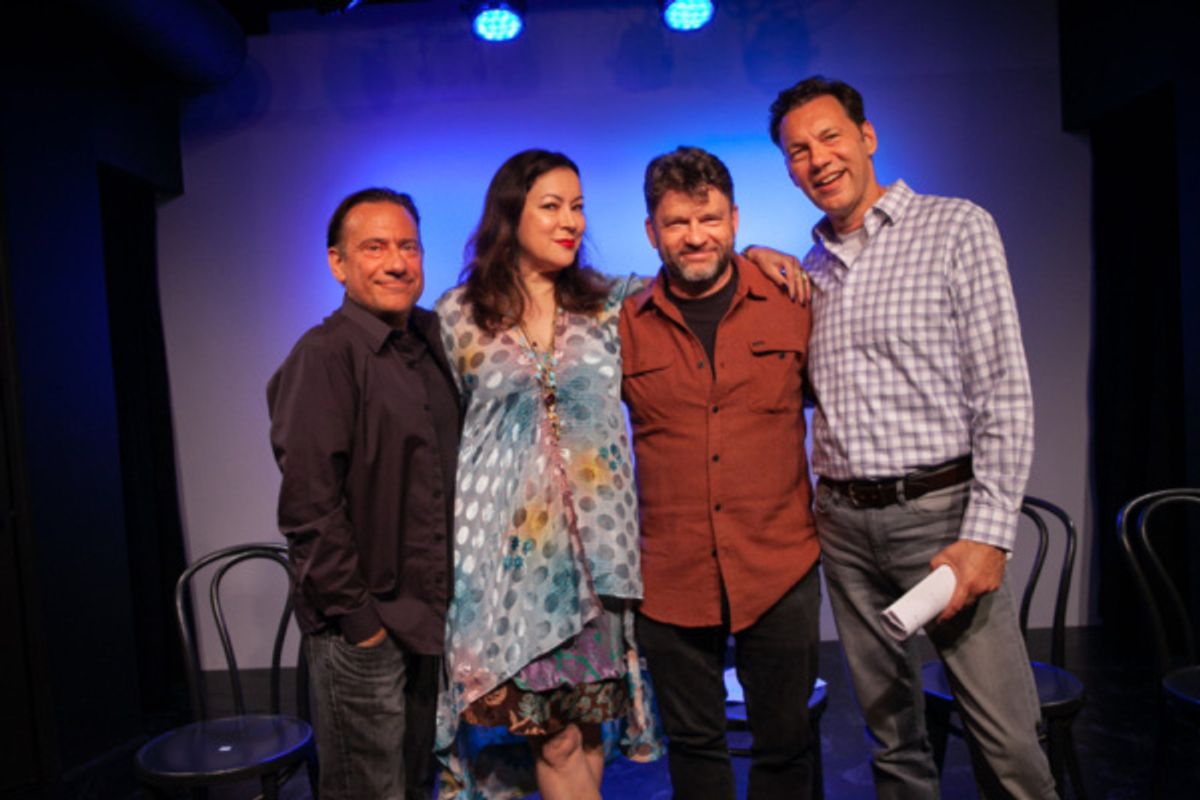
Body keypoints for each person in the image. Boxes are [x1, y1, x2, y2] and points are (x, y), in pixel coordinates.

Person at [433, 149, 802, 800]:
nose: (571, 220)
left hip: (598, 571)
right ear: (509, 214)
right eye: (551, 206)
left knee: (585, 732)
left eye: (578, 206)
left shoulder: (608, 306)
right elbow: (441, 436)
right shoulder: (457, 316)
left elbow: (696, 268)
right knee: (550, 737)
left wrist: (768, 253)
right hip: (509, 574)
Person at [768, 76, 1056, 798]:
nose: (818, 159)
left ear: (866, 138)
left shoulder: (956, 226)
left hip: (943, 521)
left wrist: (988, 535)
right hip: (843, 525)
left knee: (1007, 742)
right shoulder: (809, 273)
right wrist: (751, 260)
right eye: (798, 151)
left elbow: (1004, 391)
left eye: (830, 137)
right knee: (891, 737)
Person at [619, 146, 821, 800]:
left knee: (786, 744)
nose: (695, 236)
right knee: (696, 747)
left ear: (734, 219)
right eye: (676, 223)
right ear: (652, 231)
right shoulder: (622, 324)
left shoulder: (794, 302)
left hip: (779, 565)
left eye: (708, 218)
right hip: (671, 573)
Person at [267, 188, 459, 800]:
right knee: (369, 790)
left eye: (408, 246)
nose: (397, 263)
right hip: (364, 628)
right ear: (337, 263)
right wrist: (361, 623)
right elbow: (309, 506)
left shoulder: (432, 343)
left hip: (428, 618)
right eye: (374, 248)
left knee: (412, 782)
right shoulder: (325, 356)